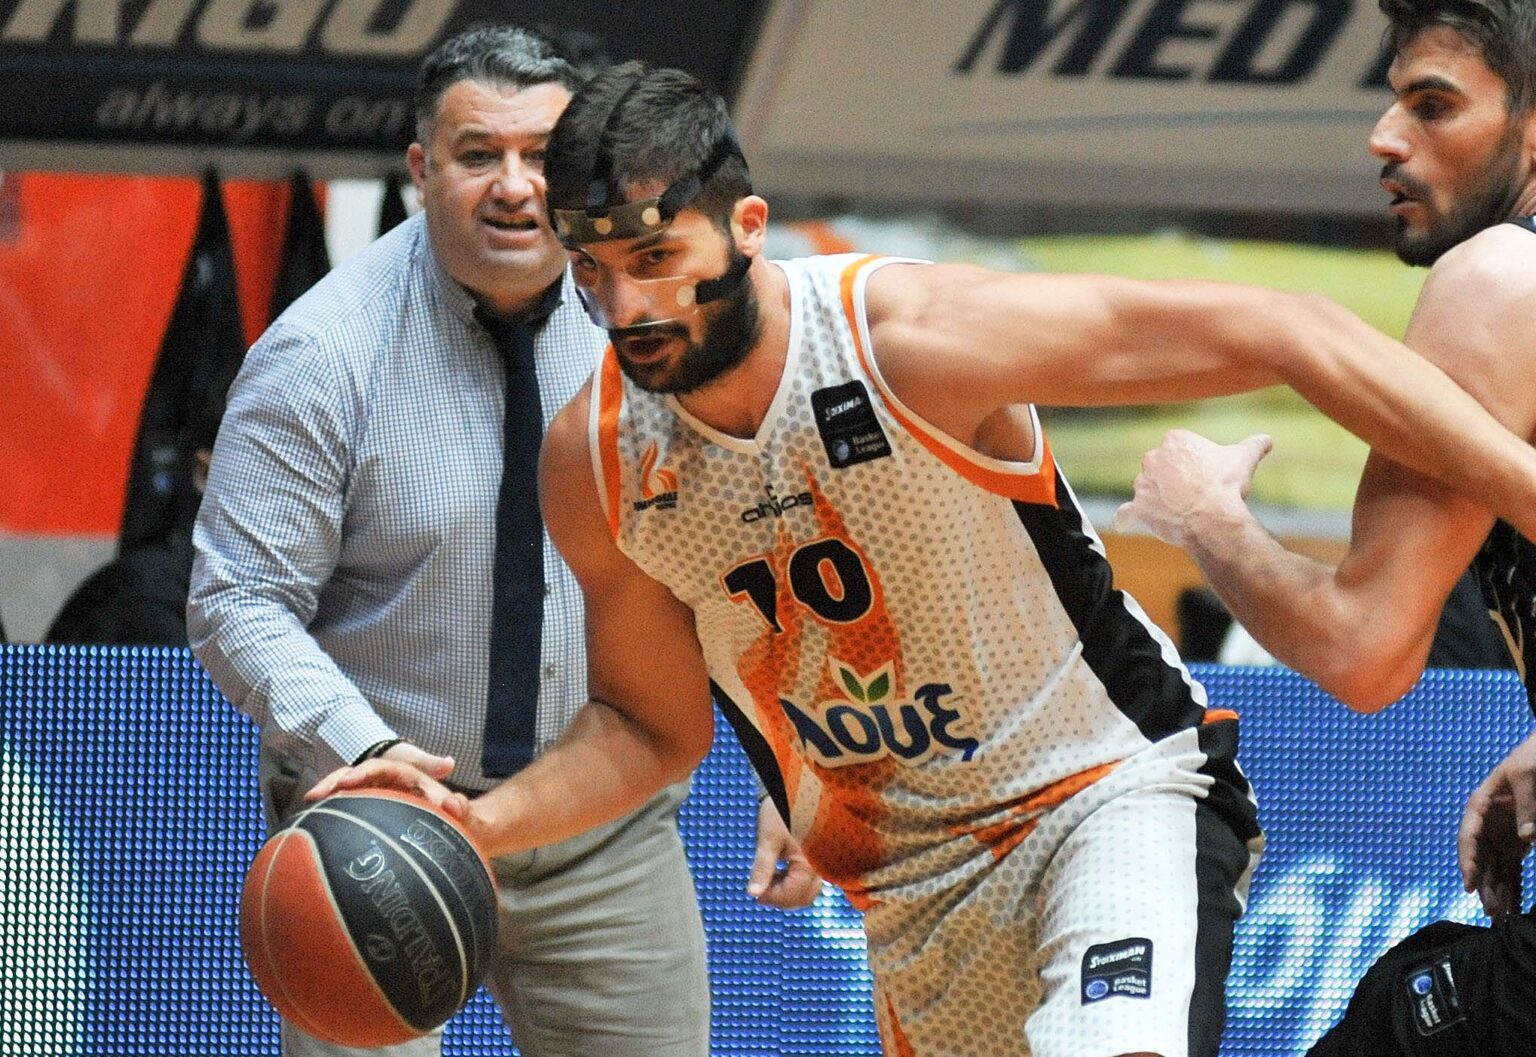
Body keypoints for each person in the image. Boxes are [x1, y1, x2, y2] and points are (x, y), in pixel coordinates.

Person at [309, 60, 1536, 1057]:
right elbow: (648, 727)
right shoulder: (597, 463)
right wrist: (479, 823)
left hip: (1104, 794)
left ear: (745, 227)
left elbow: (1291, 331)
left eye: (654, 261)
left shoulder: (907, 339)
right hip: (909, 890)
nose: (627, 309)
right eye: (592, 272)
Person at [188, 28, 817, 1057]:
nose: (516, 187)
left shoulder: (659, 325)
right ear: (422, 168)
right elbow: (238, 599)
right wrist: (369, 751)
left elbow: (755, 548)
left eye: (541, 156)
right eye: (479, 154)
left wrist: (798, 759)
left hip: (602, 827)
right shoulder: (319, 354)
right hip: (376, 830)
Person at [1115, 0, 1536, 915]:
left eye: (1433, 105)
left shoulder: (1502, 275)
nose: (1384, 137)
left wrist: (1206, 517)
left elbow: (1362, 649)